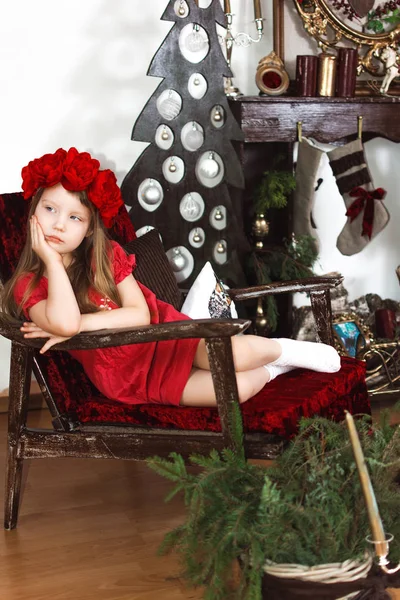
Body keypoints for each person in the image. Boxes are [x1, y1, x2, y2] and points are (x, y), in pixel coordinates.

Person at [1, 148, 341, 408]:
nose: (59, 224)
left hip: (166, 336)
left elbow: (139, 315)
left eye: (74, 217)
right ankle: (279, 369)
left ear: (90, 229)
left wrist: (78, 325)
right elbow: (63, 319)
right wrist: (50, 261)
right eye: (50, 209)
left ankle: (284, 349)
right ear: (33, 212)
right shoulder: (26, 286)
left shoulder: (104, 257)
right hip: (129, 376)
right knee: (234, 390)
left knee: (233, 356)